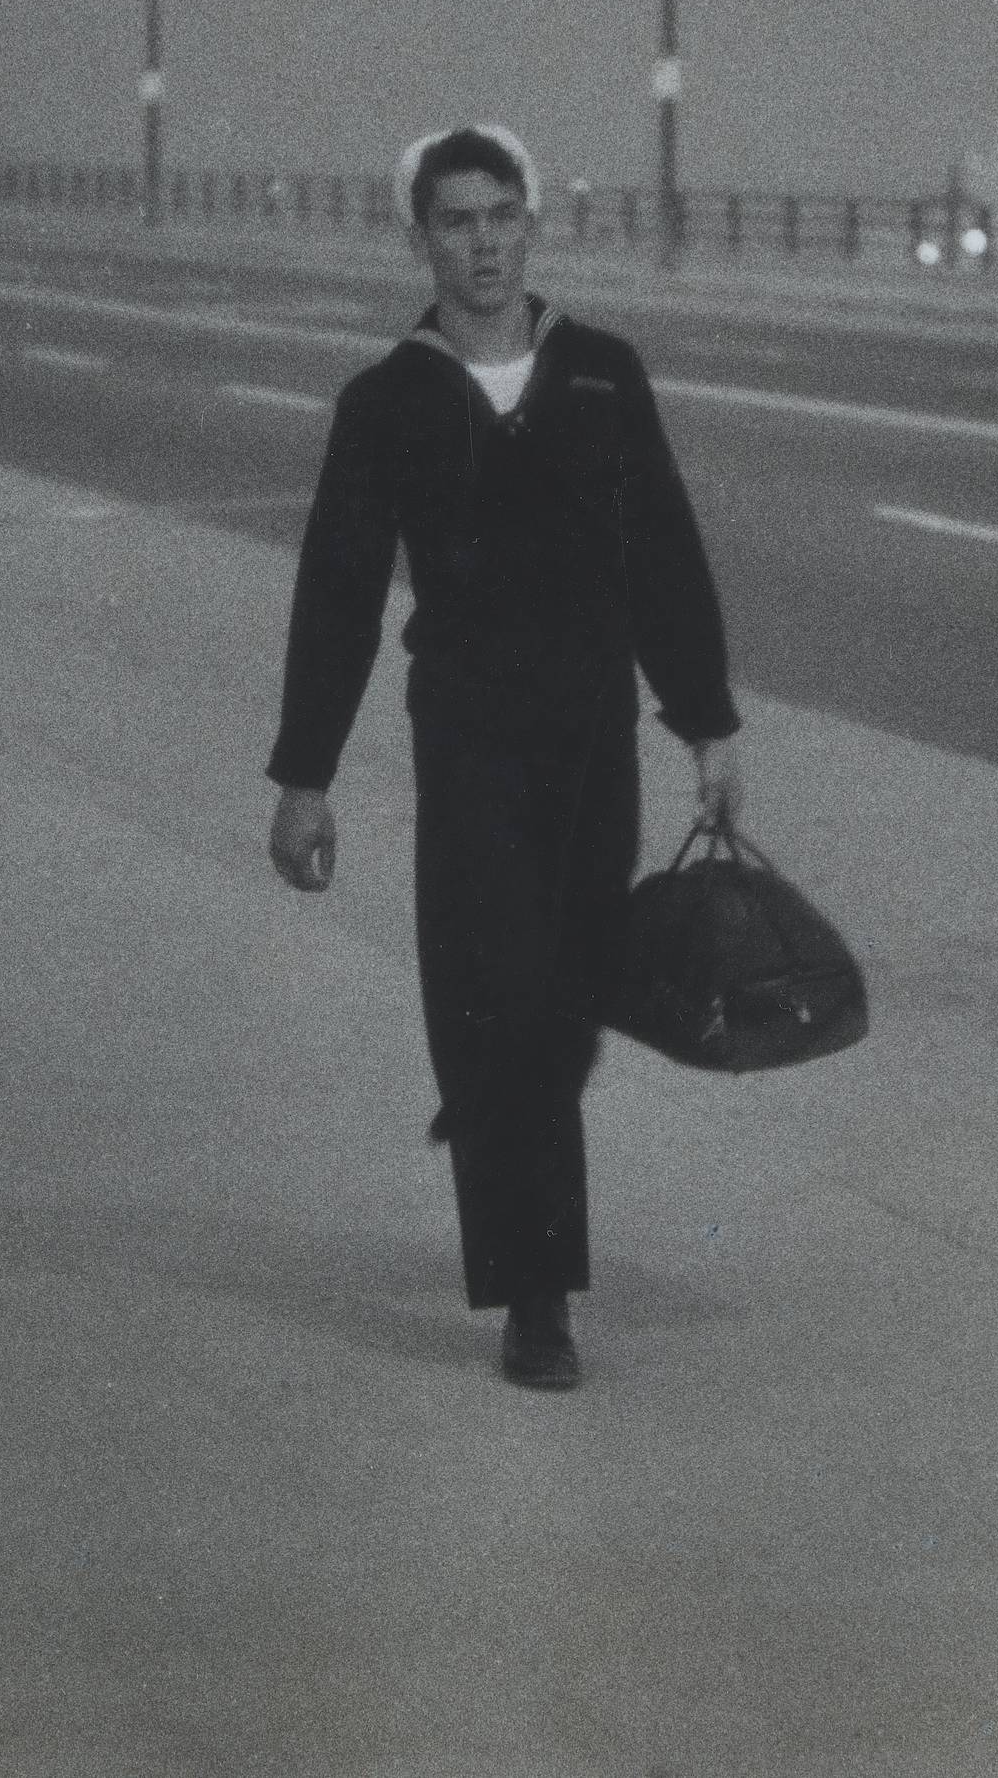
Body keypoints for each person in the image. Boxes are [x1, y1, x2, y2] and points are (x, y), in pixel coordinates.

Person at [266, 123, 743, 1391]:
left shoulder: (600, 376)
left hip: (592, 735)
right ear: (418, 239)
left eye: (500, 216)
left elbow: (665, 558)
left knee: (566, 994)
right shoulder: (387, 403)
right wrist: (302, 775)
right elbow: (339, 592)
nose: (481, 242)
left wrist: (705, 721)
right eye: (454, 221)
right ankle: (538, 1300)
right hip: (470, 734)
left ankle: (491, 1090)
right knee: (509, 997)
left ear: (534, 224)